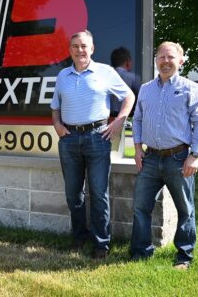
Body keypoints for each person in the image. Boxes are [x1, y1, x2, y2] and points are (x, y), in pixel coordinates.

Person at [51, 30, 135, 259]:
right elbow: (55, 106)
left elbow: (129, 97)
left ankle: (101, 244)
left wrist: (120, 121)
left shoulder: (105, 72)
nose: (80, 50)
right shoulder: (62, 76)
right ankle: (79, 238)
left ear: (92, 48)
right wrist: (57, 125)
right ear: (70, 50)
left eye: (84, 46)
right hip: (68, 140)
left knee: (98, 194)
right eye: (75, 46)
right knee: (73, 194)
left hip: (98, 138)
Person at [130, 41, 198, 269]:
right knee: (140, 207)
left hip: (179, 157)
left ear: (181, 61)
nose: (165, 61)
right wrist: (137, 149)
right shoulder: (146, 89)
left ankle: (184, 256)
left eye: (171, 57)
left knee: (185, 209)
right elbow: (137, 119)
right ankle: (141, 253)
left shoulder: (190, 89)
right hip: (151, 158)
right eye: (161, 57)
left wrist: (194, 155)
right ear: (156, 60)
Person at [110, 46, 141, 116]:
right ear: (127, 62)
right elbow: (142, 98)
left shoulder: (105, 77)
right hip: (126, 117)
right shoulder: (133, 77)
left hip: (107, 117)